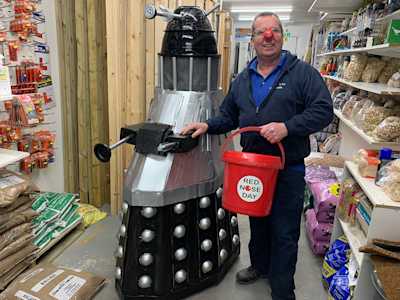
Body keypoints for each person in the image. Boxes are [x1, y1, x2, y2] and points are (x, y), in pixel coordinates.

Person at [181, 12, 333, 300]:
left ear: (282, 37)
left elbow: (323, 110)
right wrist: (207, 125)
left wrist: (288, 128)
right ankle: (260, 266)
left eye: (274, 30)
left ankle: (283, 289)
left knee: (285, 230)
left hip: (287, 169)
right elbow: (228, 116)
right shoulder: (242, 80)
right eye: (261, 31)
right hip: (251, 169)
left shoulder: (302, 74)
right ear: (252, 40)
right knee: (258, 222)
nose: (268, 36)